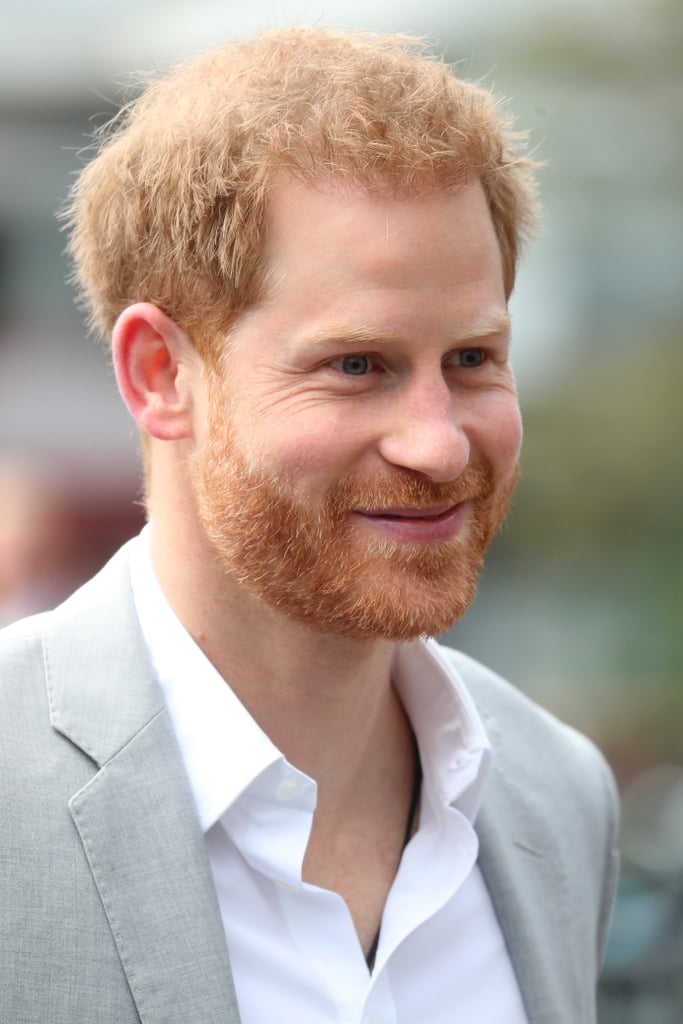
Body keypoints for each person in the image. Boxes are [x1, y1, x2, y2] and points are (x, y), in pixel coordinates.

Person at [0, 27, 618, 1024]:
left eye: (469, 359)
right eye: (356, 365)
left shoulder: (556, 794)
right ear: (161, 374)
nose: (439, 445)